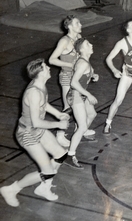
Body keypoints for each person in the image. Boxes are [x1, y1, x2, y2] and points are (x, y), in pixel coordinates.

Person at [0, 59, 69, 207]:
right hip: (27, 133)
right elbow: (37, 122)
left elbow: (44, 104)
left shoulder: (40, 85)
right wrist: (58, 124)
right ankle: (11, 189)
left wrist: (58, 114)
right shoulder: (34, 93)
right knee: (48, 171)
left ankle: (44, 187)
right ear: (40, 73)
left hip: (36, 129)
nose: (49, 68)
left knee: (61, 154)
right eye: (46, 67)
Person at [48, 15, 94, 147]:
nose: (81, 25)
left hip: (79, 77)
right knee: (68, 108)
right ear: (70, 26)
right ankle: (60, 135)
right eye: (77, 23)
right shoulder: (64, 41)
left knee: (81, 106)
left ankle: (80, 129)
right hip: (67, 77)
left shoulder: (79, 39)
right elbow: (52, 60)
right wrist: (71, 66)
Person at [64, 38, 99, 169]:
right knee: (83, 126)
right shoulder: (83, 63)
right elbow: (73, 82)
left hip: (80, 95)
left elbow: (84, 75)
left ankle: (81, 133)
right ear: (82, 49)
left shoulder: (85, 62)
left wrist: (94, 75)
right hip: (76, 96)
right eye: (88, 44)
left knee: (92, 114)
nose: (91, 44)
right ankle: (69, 155)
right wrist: (89, 94)